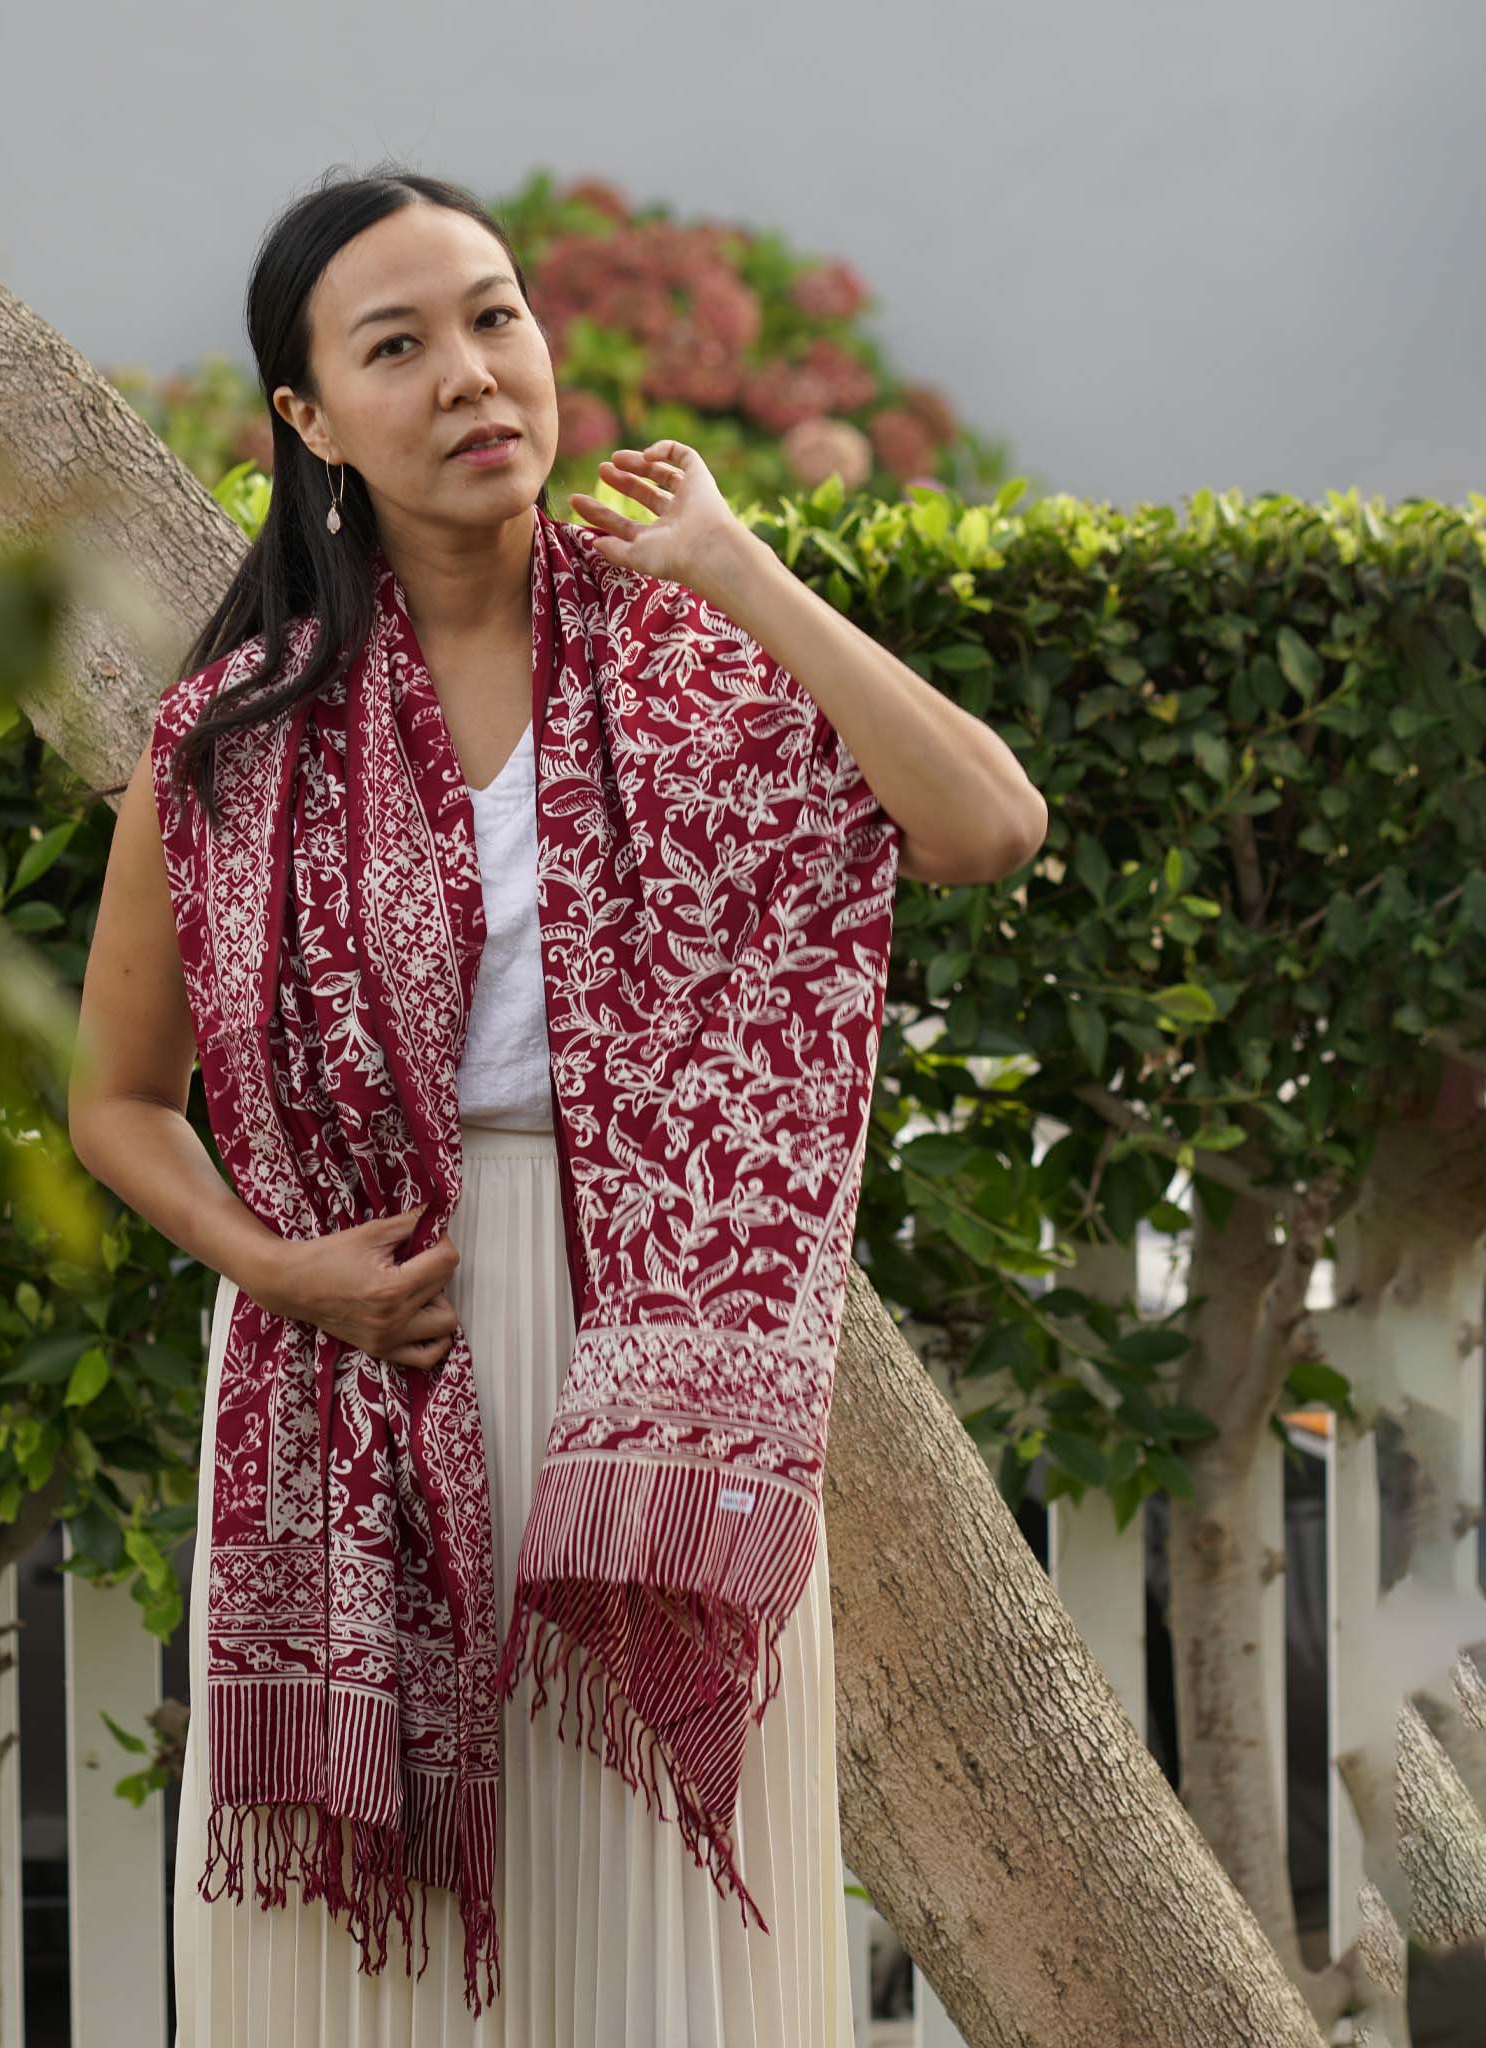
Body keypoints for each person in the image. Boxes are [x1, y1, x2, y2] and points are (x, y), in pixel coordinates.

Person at [70, 164, 1045, 2048]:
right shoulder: (234, 733)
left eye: (495, 317)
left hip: (653, 1387)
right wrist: (281, 1271)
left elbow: (985, 825)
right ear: (308, 419)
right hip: (364, 1349)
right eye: (399, 345)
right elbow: (120, 1103)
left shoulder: (697, 659)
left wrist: (744, 571)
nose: (470, 373)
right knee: (384, 1975)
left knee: (646, 1941)